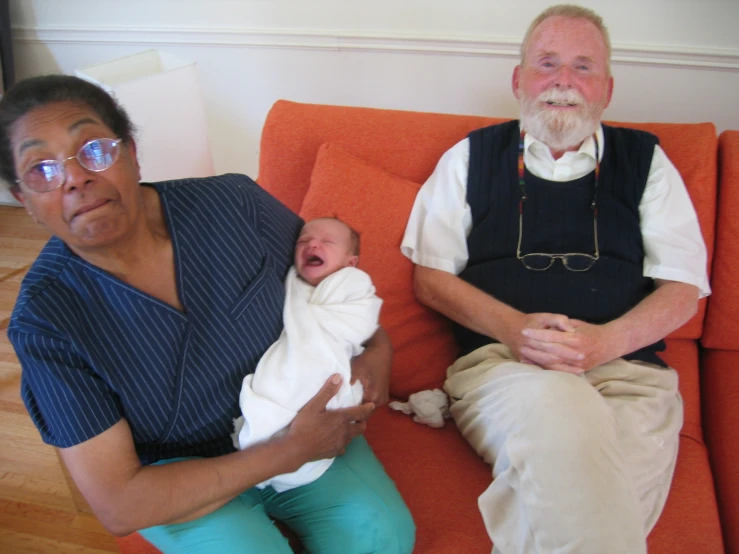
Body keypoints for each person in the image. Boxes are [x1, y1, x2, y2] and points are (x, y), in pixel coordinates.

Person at [1, 74, 415, 554]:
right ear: (23, 201)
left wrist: (378, 349)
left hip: (297, 415)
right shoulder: (46, 322)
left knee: (383, 538)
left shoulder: (233, 205)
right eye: (41, 171)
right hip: (178, 477)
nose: (74, 177)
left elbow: (329, 281)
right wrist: (288, 451)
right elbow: (120, 506)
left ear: (132, 154)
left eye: (94, 149)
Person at [401, 4, 709, 554]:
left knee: (596, 506)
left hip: (629, 373)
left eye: (583, 67)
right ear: (519, 79)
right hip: (504, 367)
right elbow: (429, 279)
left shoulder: (647, 161)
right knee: (566, 418)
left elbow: (684, 288)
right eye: (547, 64)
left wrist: (605, 343)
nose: (563, 81)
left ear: (607, 89)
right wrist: (514, 328)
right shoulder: (469, 157)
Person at [235, 217, 383, 492]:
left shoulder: (352, 283)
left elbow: (359, 322)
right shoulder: (292, 281)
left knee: (307, 386)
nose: (313, 243)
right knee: (277, 383)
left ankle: (274, 445)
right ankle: (270, 443)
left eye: (327, 242)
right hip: (290, 356)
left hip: (327, 360)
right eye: (303, 241)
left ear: (350, 263)